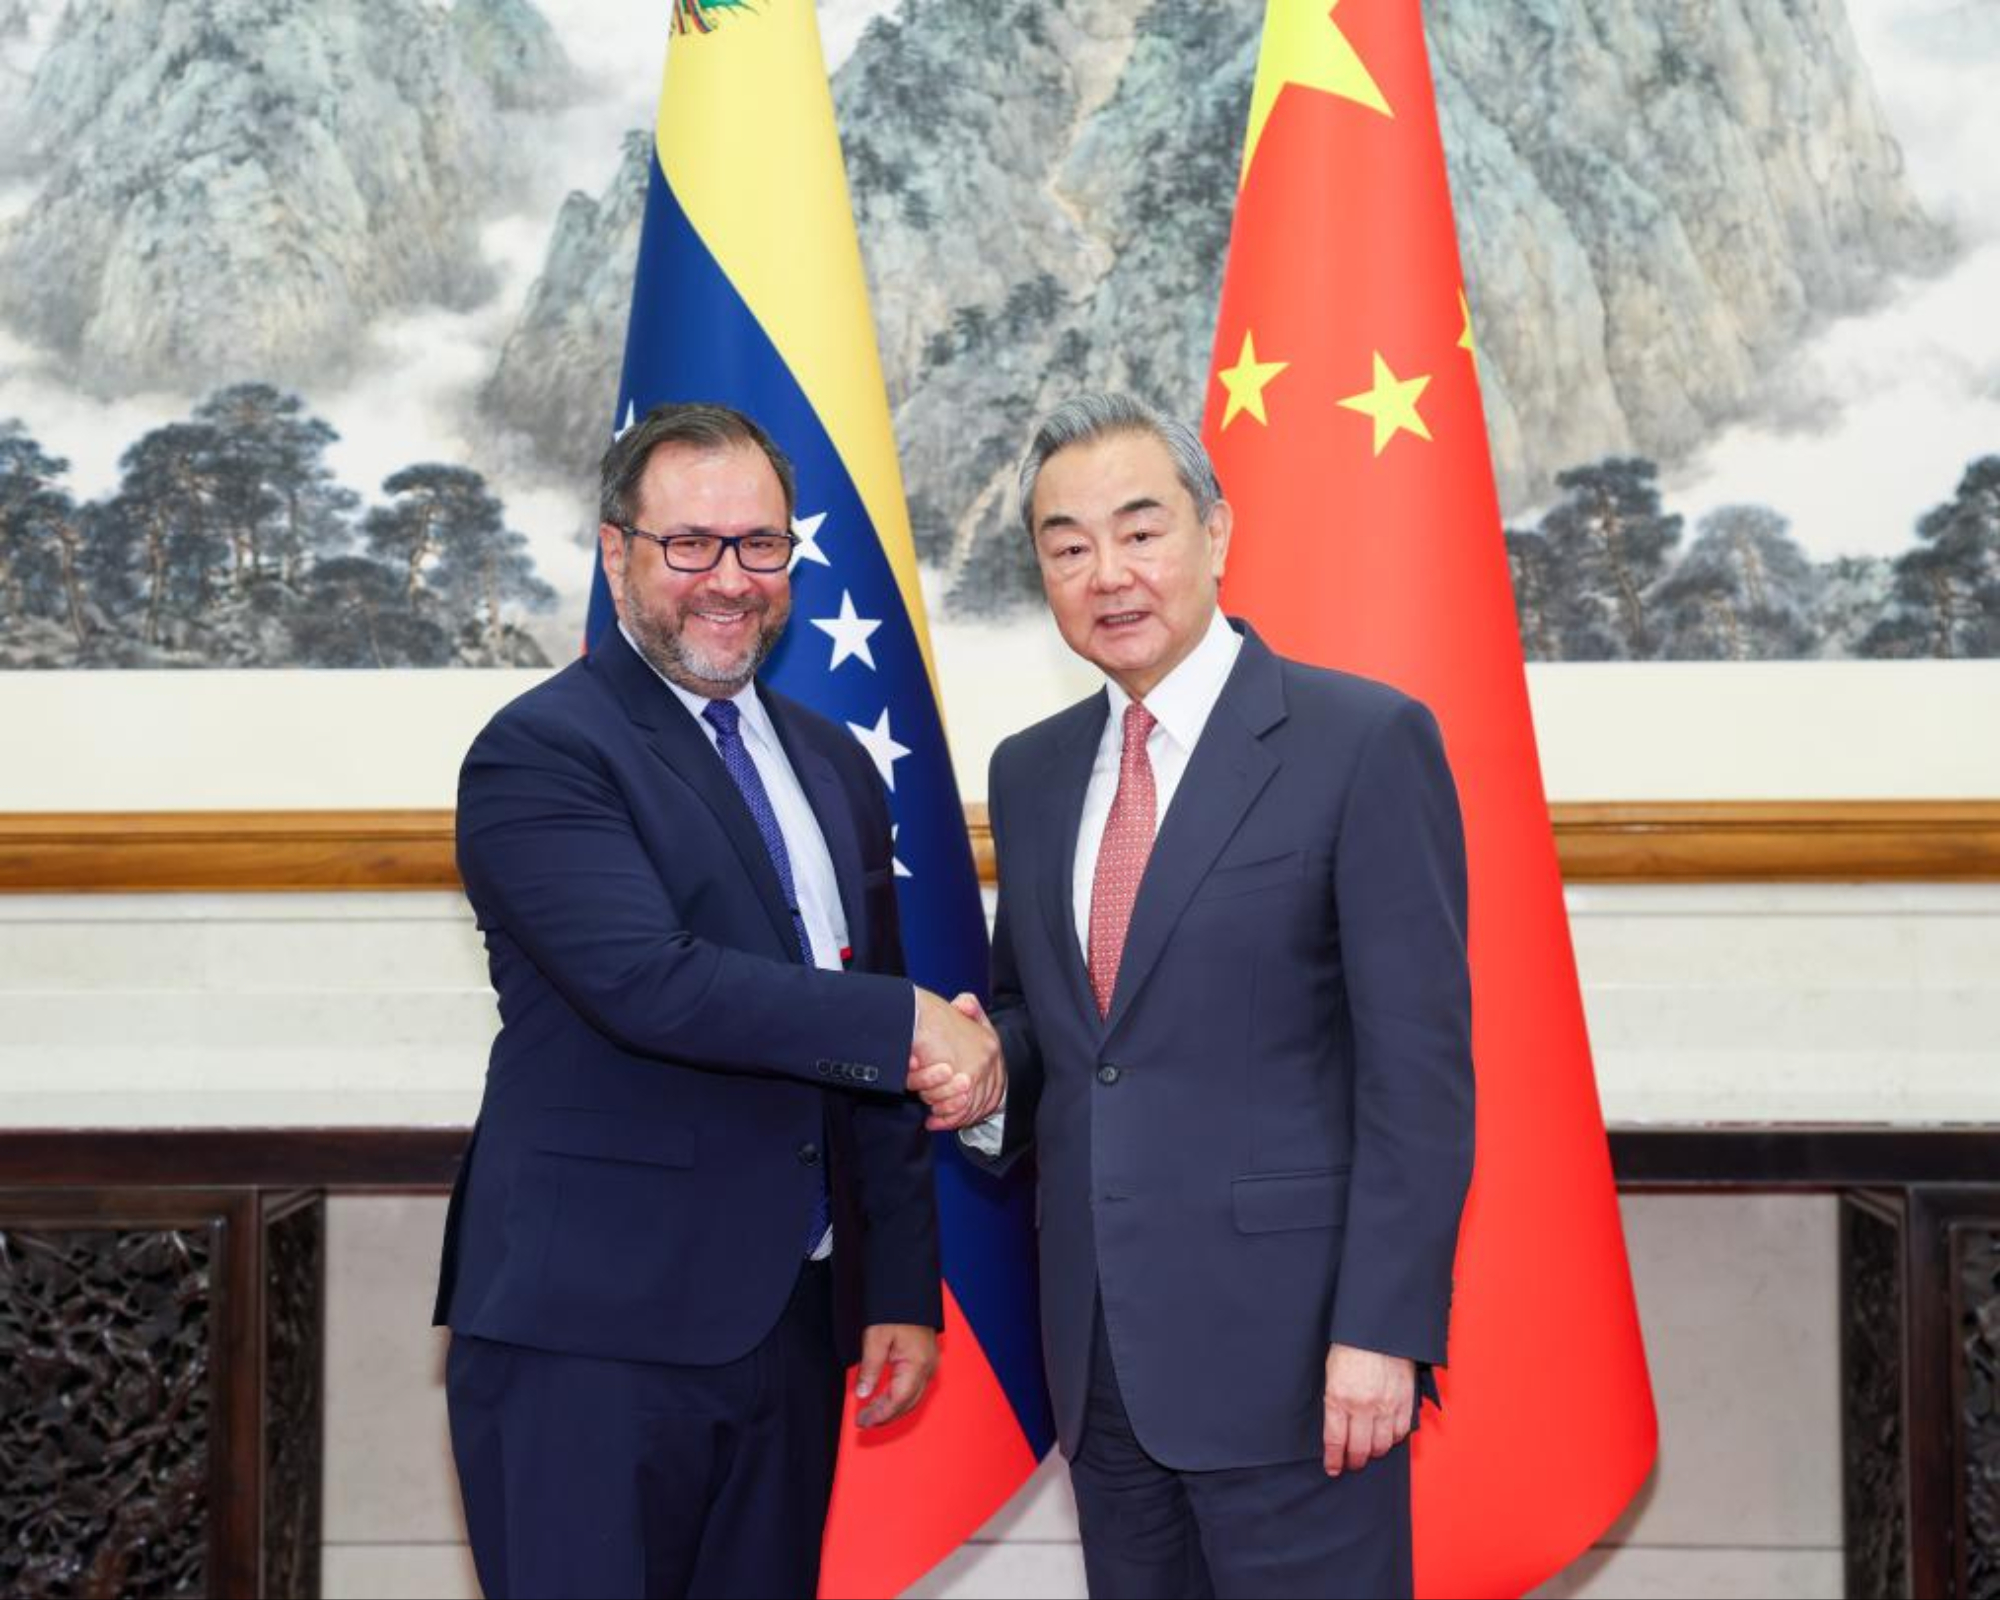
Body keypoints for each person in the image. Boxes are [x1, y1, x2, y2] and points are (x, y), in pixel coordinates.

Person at [434, 401, 1000, 1600]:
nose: (728, 580)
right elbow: (652, 983)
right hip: (588, 1334)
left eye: (759, 546)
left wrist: (894, 1284)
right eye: (689, 544)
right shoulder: (541, 751)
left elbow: (859, 1027)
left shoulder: (831, 761)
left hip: (789, 1324)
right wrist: (912, 1024)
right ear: (614, 552)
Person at [921, 393, 1475, 1599]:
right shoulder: (1031, 771)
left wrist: (1382, 1330)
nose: (1107, 574)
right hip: (1100, 1358)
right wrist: (982, 1070)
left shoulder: (1360, 741)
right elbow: (1057, 1029)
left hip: (1299, 1364)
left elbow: (1415, 1073)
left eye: (1139, 530)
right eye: (1065, 548)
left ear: (1214, 532)